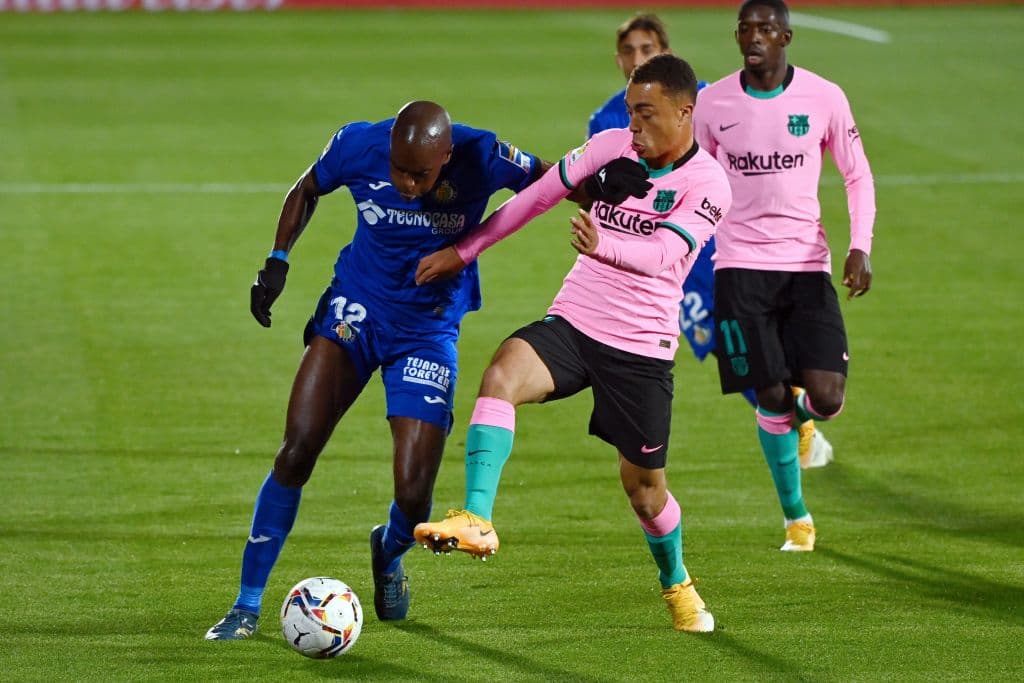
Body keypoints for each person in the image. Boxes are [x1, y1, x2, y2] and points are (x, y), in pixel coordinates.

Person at [205, 101, 555, 640]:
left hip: (427, 331)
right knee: (297, 451)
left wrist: (471, 246)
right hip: (355, 310)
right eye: (398, 170)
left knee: (415, 498)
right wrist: (277, 261)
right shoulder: (358, 143)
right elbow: (306, 189)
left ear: (446, 156)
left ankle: (387, 553)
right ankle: (245, 605)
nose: (407, 184)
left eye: (420, 174)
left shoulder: (483, 155)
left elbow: (553, 184)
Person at [413, 55, 732, 633]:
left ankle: (677, 582)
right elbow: (536, 195)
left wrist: (602, 244)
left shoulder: (708, 183)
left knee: (644, 492)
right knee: (503, 374)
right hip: (577, 318)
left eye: (646, 113)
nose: (632, 125)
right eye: (630, 110)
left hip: (641, 347)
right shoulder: (613, 148)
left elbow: (664, 257)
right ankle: (477, 517)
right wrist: (465, 250)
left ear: (685, 113)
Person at [590, 12, 833, 470]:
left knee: (762, 339)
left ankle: (795, 421)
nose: (637, 58)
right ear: (619, 59)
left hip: (720, 246)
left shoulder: (707, 98)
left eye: (647, 49)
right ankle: (796, 425)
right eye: (629, 51)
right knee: (730, 345)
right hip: (666, 260)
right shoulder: (607, 119)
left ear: (665, 49)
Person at [693, 0, 875, 551]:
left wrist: (859, 246)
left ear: (786, 37)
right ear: (737, 36)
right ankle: (796, 516)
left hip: (805, 266)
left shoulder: (823, 97)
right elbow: (695, 177)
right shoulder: (712, 102)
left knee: (828, 396)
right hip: (739, 268)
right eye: (746, 28)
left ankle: (802, 418)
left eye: (766, 28)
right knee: (767, 393)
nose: (755, 37)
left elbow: (857, 174)